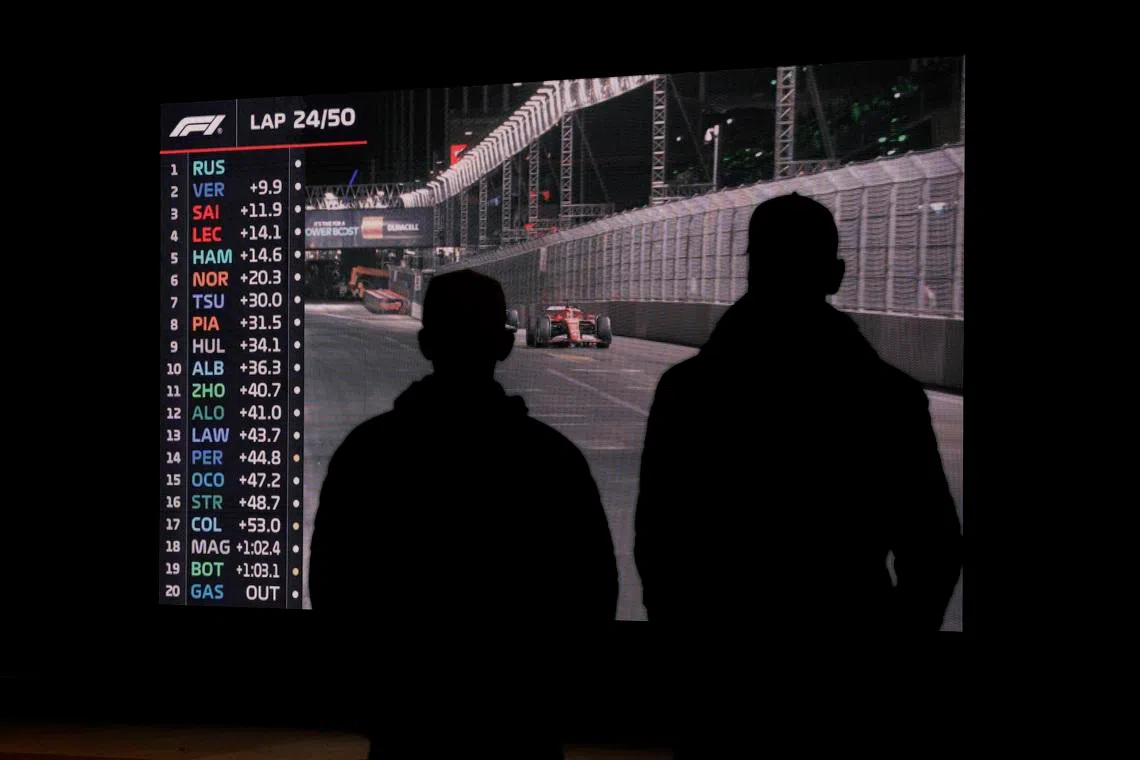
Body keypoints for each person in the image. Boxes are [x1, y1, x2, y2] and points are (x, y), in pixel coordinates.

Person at [309, 269, 618, 758]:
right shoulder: (552, 461)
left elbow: (332, 592)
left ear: (426, 344)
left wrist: (375, 711)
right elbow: (594, 598)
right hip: (522, 727)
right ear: (504, 345)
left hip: (407, 725)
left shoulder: (367, 454)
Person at [634, 192, 962, 635]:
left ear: (752, 270)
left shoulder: (687, 391)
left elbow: (659, 545)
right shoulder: (890, 397)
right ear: (835, 276)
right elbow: (932, 551)